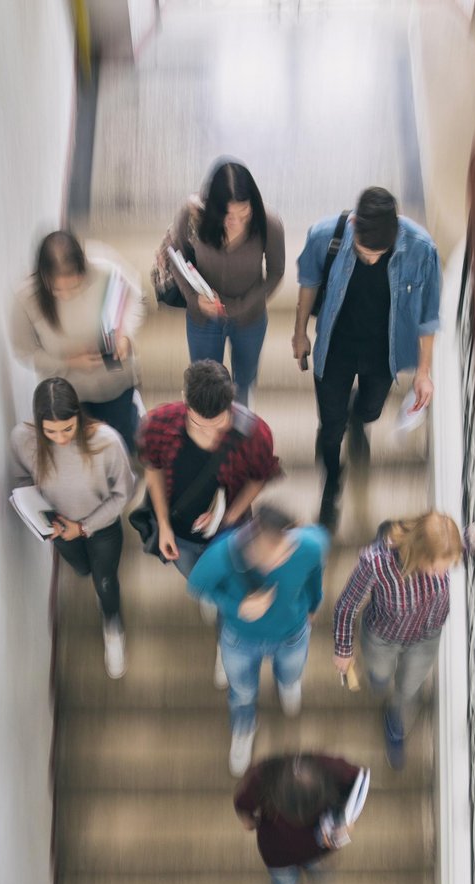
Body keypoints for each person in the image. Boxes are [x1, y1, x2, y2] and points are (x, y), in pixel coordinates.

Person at [292, 187, 442, 532]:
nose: (372, 260)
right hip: (336, 348)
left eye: (380, 253)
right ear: (355, 225)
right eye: (364, 252)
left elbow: (428, 316)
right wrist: (300, 333)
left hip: (383, 352)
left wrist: (423, 372)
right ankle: (331, 483)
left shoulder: (421, 249)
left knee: (370, 410)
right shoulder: (324, 235)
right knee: (330, 428)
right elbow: (308, 283)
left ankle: (358, 419)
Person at [138, 360, 282, 688]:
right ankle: (209, 595)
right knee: (199, 580)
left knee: (231, 590)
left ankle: (224, 641)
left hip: (230, 532)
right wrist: (163, 524)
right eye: (200, 425)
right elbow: (154, 470)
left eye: (218, 425)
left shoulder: (254, 433)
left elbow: (260, 478)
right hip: (180, 532)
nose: (211, 435)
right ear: (184, 400)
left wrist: (229, 515)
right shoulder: (158, 424)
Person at [333, 512, 475, 768]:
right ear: (419, 554)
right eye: (438, 567)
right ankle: (378, 679)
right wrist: (343, 649)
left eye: (447, 567)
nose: (442, 574)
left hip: (426, 637)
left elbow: (459, 545)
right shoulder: (375, 563)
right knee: (379, 676)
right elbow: (346, 605)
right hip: (383, 636)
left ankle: (395, 721)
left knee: (409, 687)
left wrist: (473, 534)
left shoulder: (443, 553)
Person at [188, 506, 328, 776]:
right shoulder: (224, 553)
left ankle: (287, 684)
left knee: (291, 673)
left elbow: (314, 575)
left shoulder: (310, 545)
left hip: (292, 635)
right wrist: (235, 605)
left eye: (282, 549)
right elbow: (197, 585)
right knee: (241, 693)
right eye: (266, 551)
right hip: (240, 640)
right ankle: (243, 728)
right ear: (252, 536)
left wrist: (313, 605)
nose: (274, 560)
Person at [11, 378, 137, 678]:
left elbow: (124, 493)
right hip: (58, 530)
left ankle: (112, 626)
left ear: (79, 417)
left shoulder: (105, 442)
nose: (60, 438)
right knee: (82, 569)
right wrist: (42, 518)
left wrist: (83, 527)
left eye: (67, 429)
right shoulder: (22, 439)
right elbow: (21, 480)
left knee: (105, 580)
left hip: (101, 525)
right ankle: (96, 585)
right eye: (50, 431)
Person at [10, 230, 145, 453]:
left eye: (73, 287)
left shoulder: (104, 271)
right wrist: (68, 362)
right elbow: (24, 350)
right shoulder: (26, 296)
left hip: (114, 382)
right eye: (56, 289)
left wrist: (125, 336)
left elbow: (133, 299)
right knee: (79, 452)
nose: (65, 295)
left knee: (123, 440)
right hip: (66, 392)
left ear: (83, 269)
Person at [170, 159, 285, 404]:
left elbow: (276, 273)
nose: (236, 222)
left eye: (244, 213)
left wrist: (239, 306)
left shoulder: (268, 222)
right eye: (227, 215)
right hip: (203, 317)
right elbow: (175, 258)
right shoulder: (192, 217)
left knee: (243, 385)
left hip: (249, 319)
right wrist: (194, 300)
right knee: (204, 387)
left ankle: (238, 435)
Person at [235, 753, 366, 884]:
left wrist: (348, 819)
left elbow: (359, 781)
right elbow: (243, 805)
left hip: (299, 850)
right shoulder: (262, 777)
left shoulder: (335, 771)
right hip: (282, 856)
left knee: (291, 882)